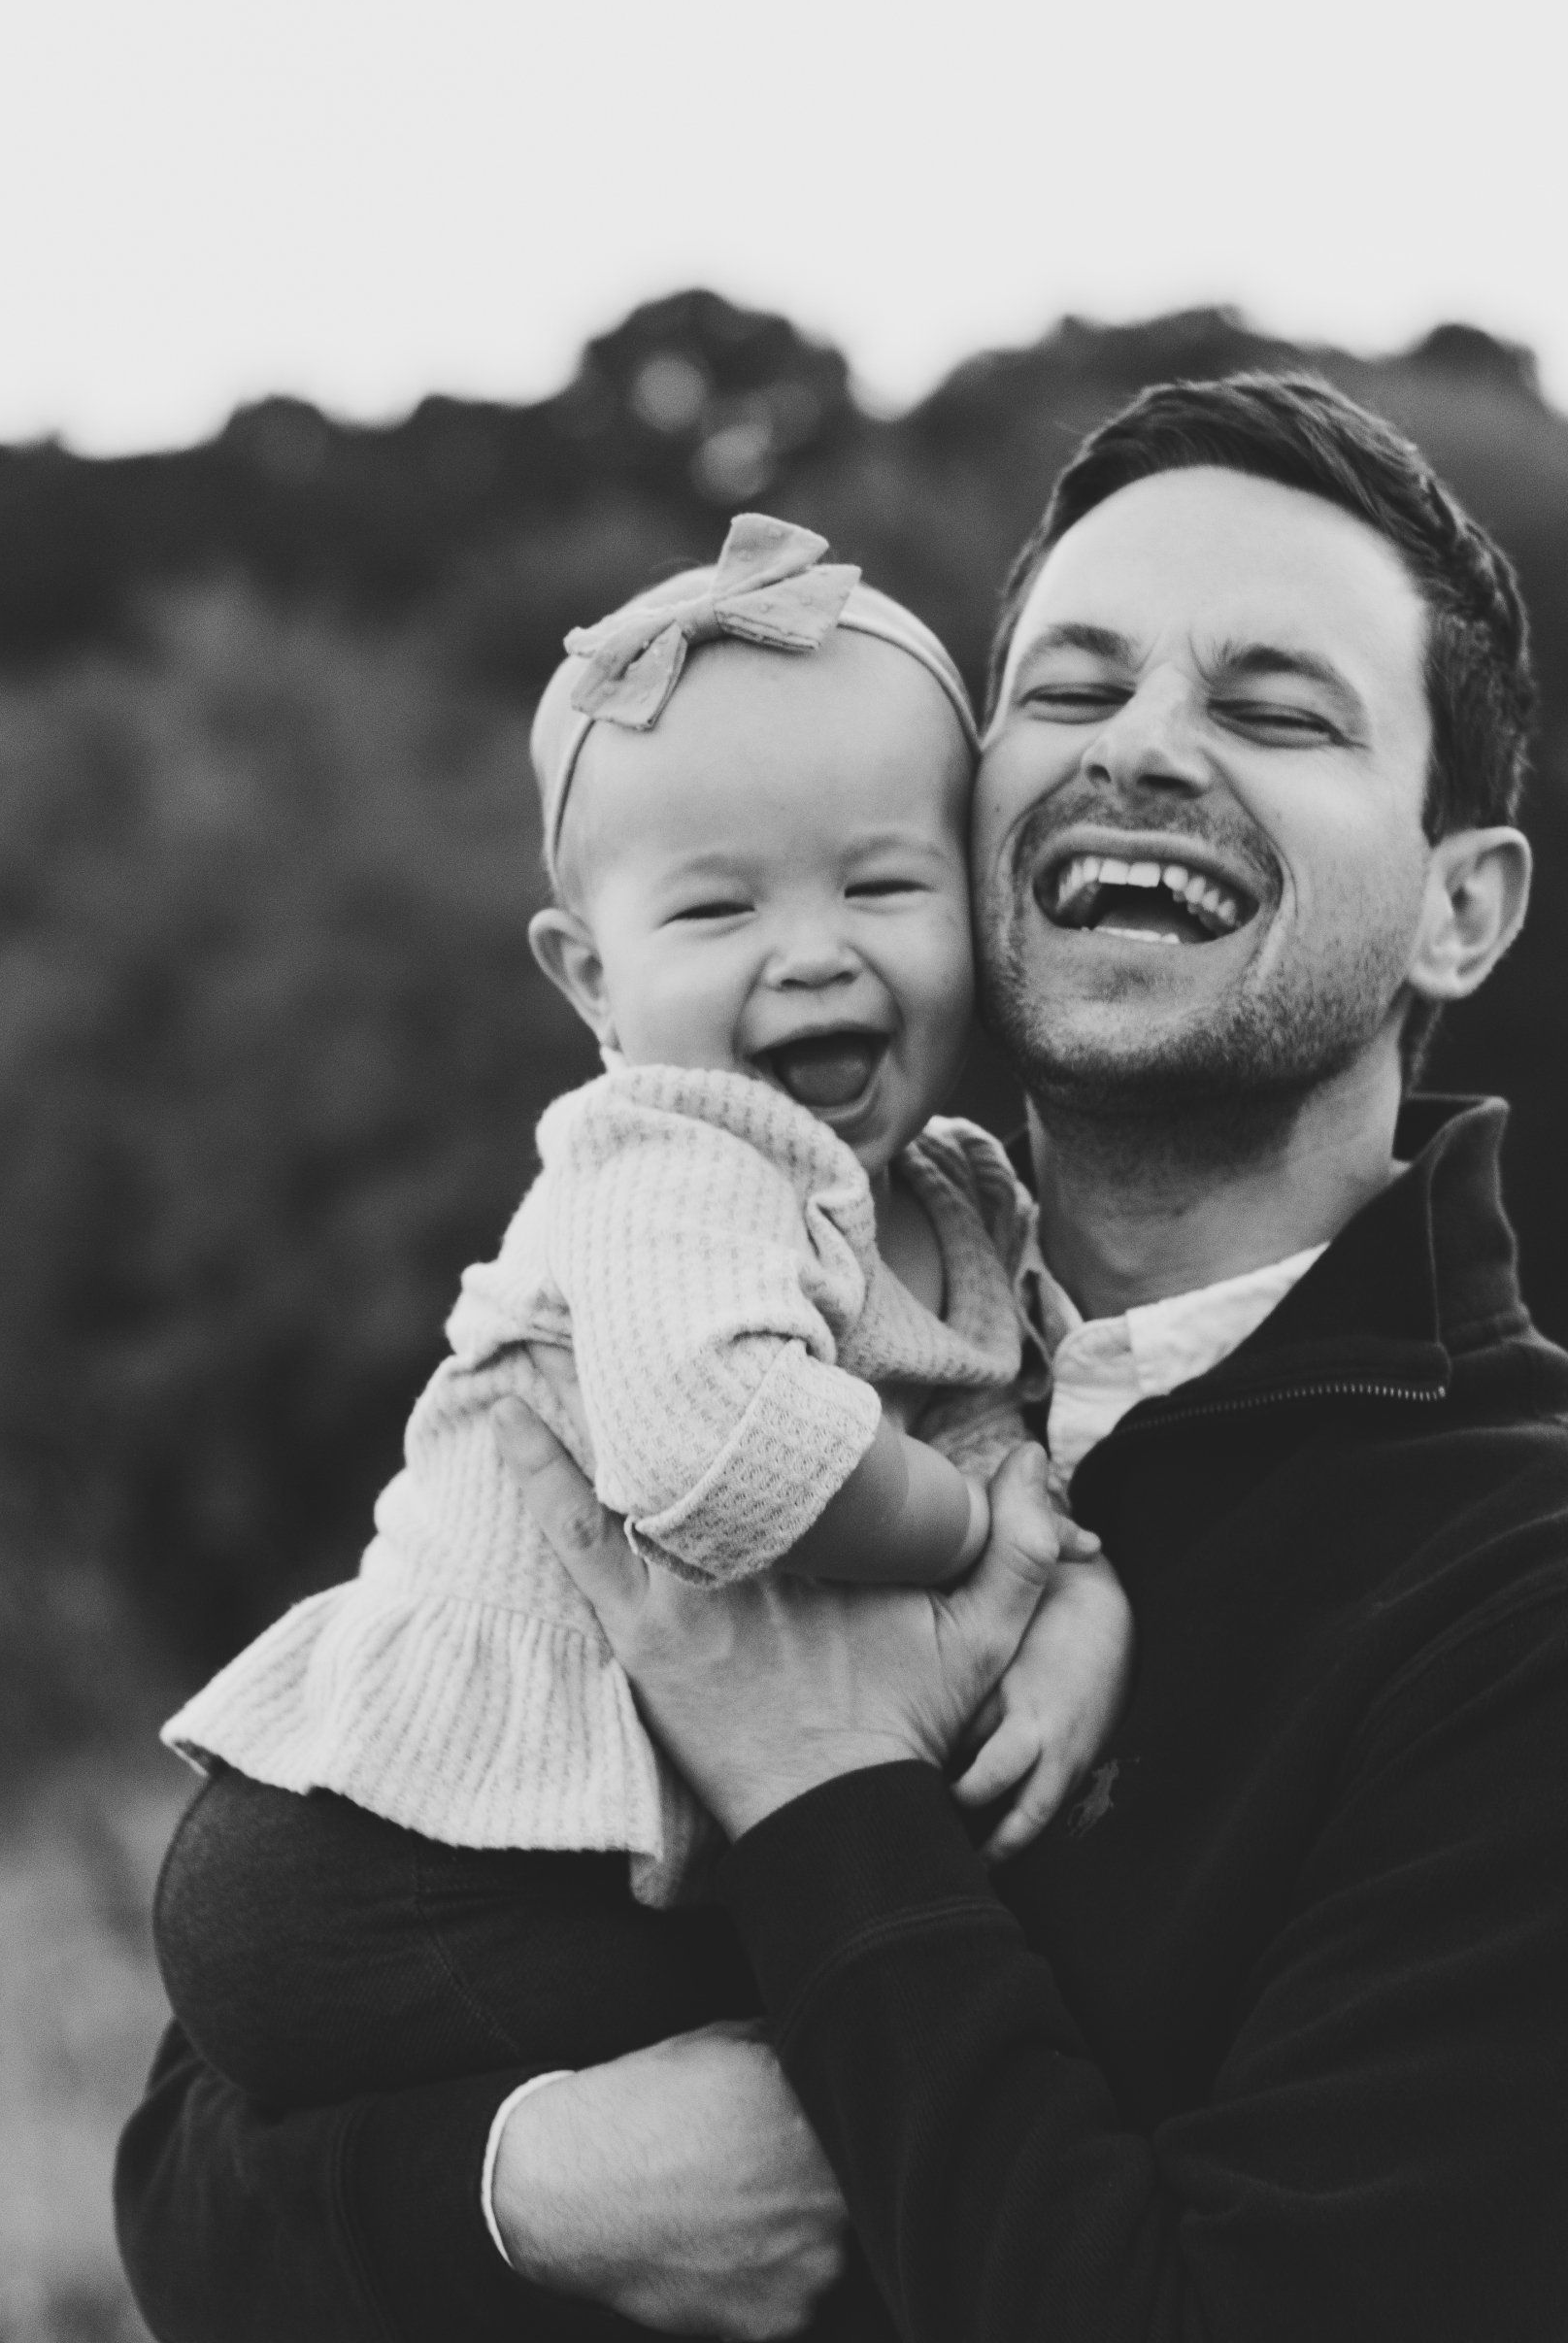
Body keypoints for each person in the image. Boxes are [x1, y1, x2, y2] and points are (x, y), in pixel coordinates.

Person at [117, 370, 1568, 2343]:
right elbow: (197, 2157)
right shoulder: (745, 1299)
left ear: (1462, 910)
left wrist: (826, 1794)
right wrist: (529, 2190)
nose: (1143, 750)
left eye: (1274, 708)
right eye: (1072, 692)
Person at [147, 514, 1129, 2129]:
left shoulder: (957, 1194)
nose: (813, 950)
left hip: (572, 1854)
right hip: (377, 1874)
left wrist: (1071, 1590)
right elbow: (729, 1452)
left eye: (884, 881)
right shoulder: (679, 1166)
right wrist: (981, 1545)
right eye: (713, 913)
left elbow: (1008, 1428)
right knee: (924, 2031)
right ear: (591, 984)